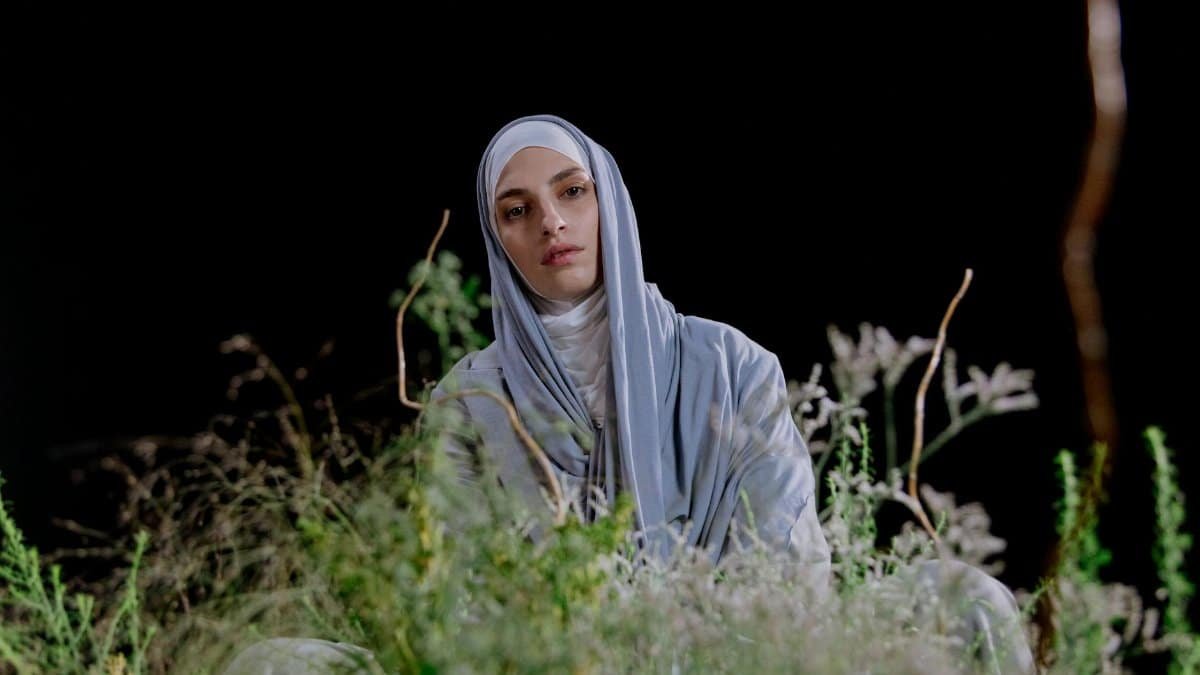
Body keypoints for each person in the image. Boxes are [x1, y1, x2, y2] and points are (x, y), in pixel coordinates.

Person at [222, 114, 1034, 674]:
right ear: (496, 238)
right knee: (274, 663)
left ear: (610, 200)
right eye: (518, 209)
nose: (552, 223)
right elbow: (459, 600)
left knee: (968, 600)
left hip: (740, 661)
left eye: (572, 192)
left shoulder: (731, 363)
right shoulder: (471, 401)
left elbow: (790, 571)